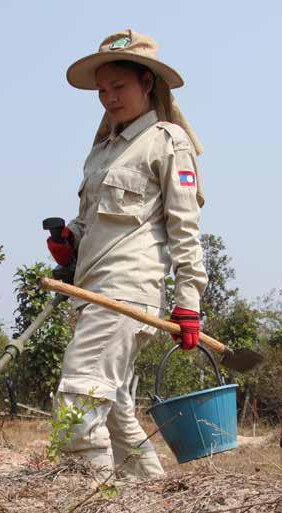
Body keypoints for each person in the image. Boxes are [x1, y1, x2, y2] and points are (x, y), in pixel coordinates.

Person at [46, 29, 208, 480]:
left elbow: (185, 227)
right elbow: (93, 219)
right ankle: (149, 495)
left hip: (127, 292)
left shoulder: (166, 141)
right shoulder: (102, 150)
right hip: (91, 291)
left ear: (147, 84)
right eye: (101, 91)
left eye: (118, 87)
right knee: (114, 407)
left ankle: (88, 500)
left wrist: (189, 301)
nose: (109, 98)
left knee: (78, 398)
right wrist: (70, 239)